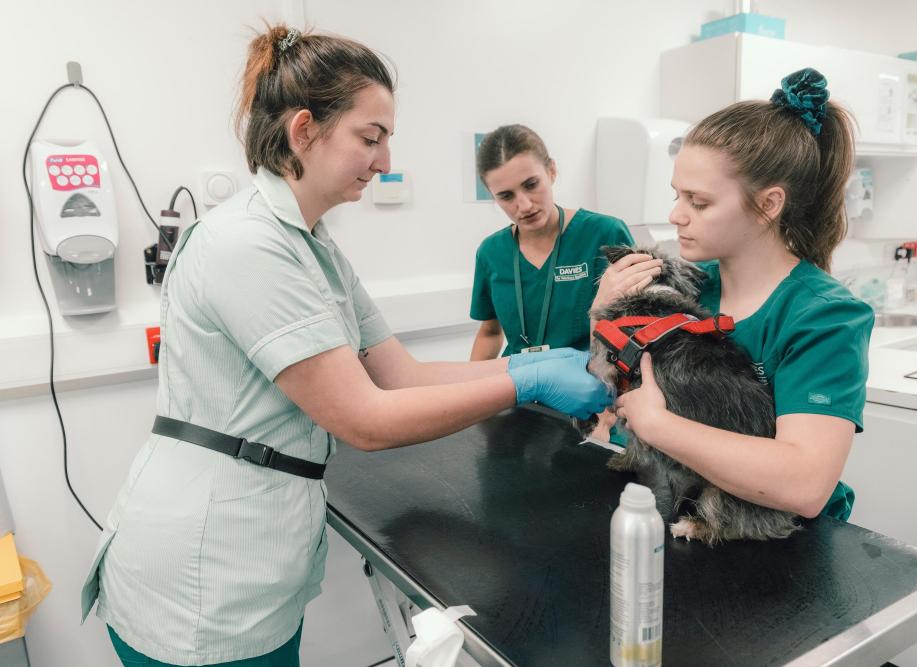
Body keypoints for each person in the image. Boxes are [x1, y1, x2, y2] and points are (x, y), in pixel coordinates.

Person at [80, 25, 610, 667]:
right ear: (305, 130)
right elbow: (366, 419)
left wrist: (529, 360)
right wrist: (525, 382)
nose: (385, 162)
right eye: (372, 137)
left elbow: (401, 375)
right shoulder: (246, 246)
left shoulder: (315, 248)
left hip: (255, 561)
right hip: (202, 572)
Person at [612, 68, 874, 522]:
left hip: (785, 544)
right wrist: (605, 310)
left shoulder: (825, 318)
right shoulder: (685, 288)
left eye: (699, 202)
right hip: (686, 517)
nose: (676, 215)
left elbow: (806, 482)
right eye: (677, 195)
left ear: (769, 204)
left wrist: (658, 425)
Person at [469, 124, 664, 360]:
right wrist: (468, 387)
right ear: (493, 196)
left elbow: (637, 321)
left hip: (589, 380)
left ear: (552, 171)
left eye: (531, 185)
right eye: (506, 196)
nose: (524, 205)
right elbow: (490, 333)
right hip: (518, 382)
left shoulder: (604, 233)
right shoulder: (491, 253)